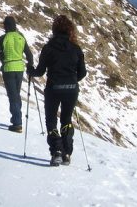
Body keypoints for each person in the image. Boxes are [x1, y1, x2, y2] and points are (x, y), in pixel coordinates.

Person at [29, 14, 87, 166]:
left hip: (53, 88)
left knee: (51, 120)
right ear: (70, 31)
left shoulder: (48, 48)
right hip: (71, 89)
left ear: (54, 30)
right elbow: (83, 73)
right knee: (66, 120)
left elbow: (40, 71)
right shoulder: (76, 49)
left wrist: (30, 71)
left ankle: (57, 151)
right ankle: (67, 153)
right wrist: (73, 81)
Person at [0, 16, 34, 133]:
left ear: (5, 26)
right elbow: (29, 55)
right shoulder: (21, 37)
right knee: (16, 94)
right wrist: (30, 67)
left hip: (8, 68)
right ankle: (17, 118)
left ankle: (17, 123)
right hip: (19, 68)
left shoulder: (3, 38)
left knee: (13, 96)